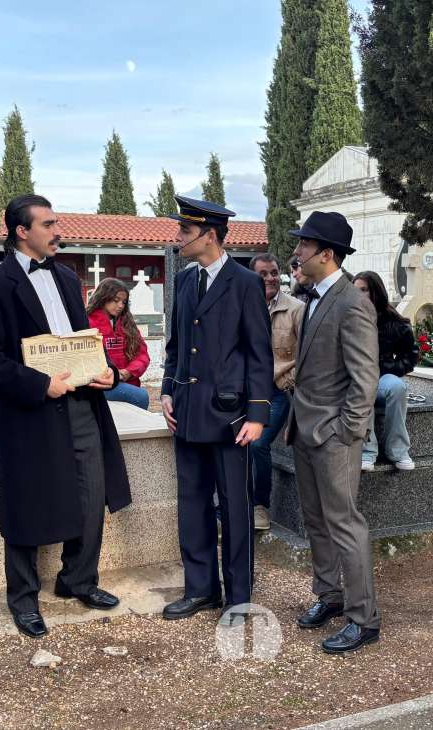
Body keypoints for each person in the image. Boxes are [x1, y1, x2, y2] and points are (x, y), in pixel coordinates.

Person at [0, 194, 132, 638]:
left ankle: (78, 579)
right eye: (49, 224)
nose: (59, 231)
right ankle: (22, 598)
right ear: (22, 231)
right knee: (27, 499)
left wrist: (106, 373)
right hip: (29, 412)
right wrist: (40, 386)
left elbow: (81, 342)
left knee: (91, 492)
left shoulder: (65, 277)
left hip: (82, 404)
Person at [160, 195, 272, 624]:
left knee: (236, 508)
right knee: (192, 505)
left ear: (209, 235)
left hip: (231, 417)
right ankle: (200, 589)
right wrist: (168, 391)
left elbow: (259, 354)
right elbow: (175, 346)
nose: (179, 239)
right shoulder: (185, 281)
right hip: (187, 412)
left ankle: (238, 596)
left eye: (185, 232)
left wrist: (258, 415)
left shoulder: (244, 283)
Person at [286, 211, 381, 654]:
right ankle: (329, 596)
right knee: (316, 520)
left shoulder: (352, 303)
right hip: (305, 430)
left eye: (304, 245)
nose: (297, 252)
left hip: (334, 436)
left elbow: (365, 379)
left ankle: (364, 619)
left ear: (326, 254)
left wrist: (346, 432)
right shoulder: (317, 297)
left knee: (344, 523)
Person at [249, 253, 304, 531]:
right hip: (245, 389)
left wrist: (288, 379)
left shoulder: (295, 309)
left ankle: (261, 507)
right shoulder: (243, 305)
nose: (270, 278)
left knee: (258, 443)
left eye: (273, 273)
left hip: (277, 390)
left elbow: (306, 353)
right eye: (263, 274)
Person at [353, 271, 417, 471]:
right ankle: (366, 452)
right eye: (355, 291)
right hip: (353, 380)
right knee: (362, 387)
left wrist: (386, 367)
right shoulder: (347, 318)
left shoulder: (394, 322)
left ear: (376, 291)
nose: (359, 295)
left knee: (397, 387)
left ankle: (398, 451)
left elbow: (411, 356)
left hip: (382, 379)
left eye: (364, 290)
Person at [87, 278, 151, 410]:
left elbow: (143, 355)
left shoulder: (127, 324)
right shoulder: (87, 323)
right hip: (101, 384)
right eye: (116, 300)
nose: (121, 305)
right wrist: (111, 375)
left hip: (128, 382)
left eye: (124, 302)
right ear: (103, 297)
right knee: (141, 396)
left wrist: (128, 372)